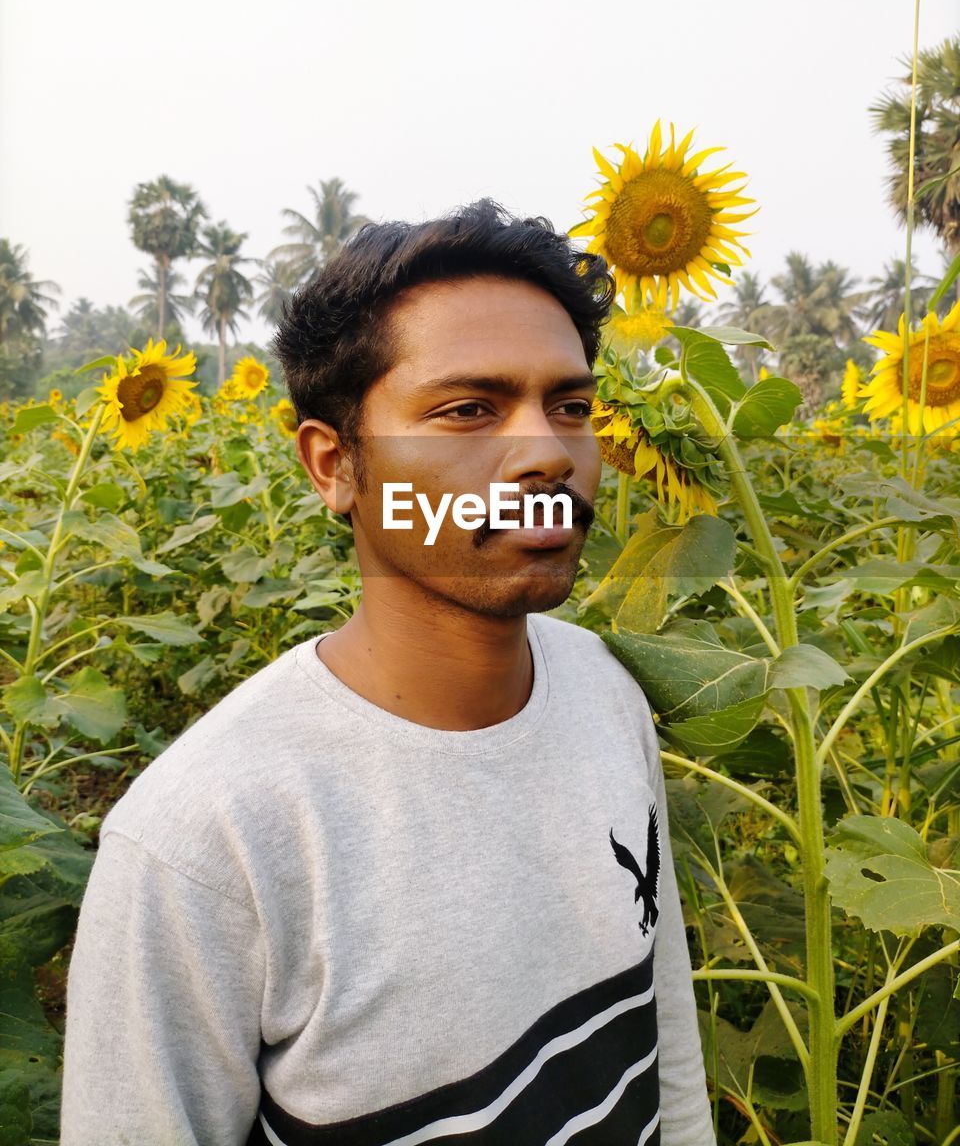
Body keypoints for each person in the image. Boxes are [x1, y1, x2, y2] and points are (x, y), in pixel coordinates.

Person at [61, 199, 716, 1146]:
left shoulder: (605, 691)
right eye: (467, 410)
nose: (548, 452)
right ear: (334, 465)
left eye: (570, 406)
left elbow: (664, 1044)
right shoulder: (206, 844)